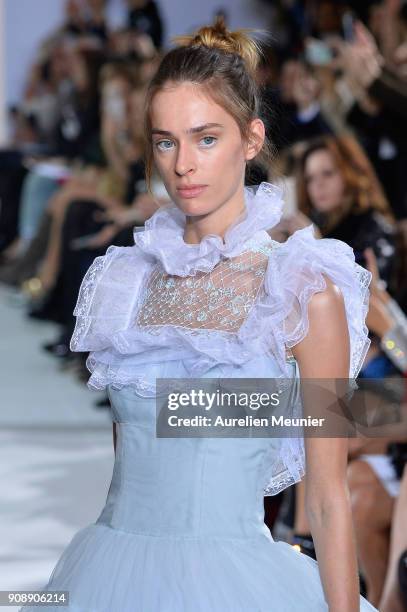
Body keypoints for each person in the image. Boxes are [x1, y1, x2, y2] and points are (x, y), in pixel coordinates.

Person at [20, 17, 378, 611]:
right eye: (166, 140)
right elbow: (125, 469)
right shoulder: (124, 283)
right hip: (112, 572)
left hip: (234, 582)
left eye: (206, 138)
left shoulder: (303, 288)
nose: (183, 163)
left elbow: (327, 498)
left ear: (252, 139)